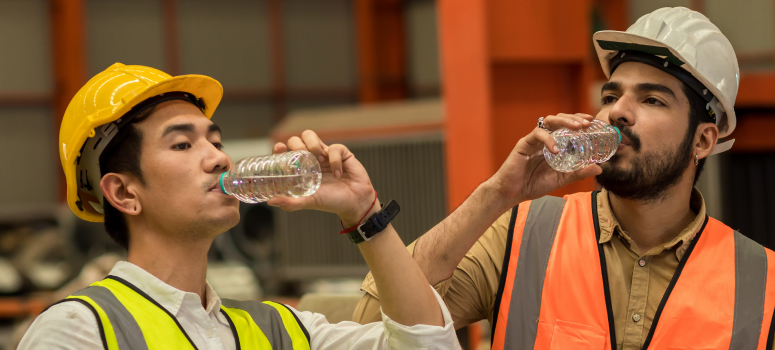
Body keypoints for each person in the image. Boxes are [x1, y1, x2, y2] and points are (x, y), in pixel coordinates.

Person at [354, 7, 775, 350]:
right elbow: (372, 326)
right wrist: (495, 195)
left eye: (652, 100)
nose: (616, 112)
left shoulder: (758, 279)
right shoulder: (523, 235)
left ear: (703, 140)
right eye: (611, 95)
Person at [20, 63, 460, 349]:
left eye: (215, 141)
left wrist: (365, 214)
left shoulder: (276, 331)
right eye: (182, 144)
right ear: (124, 194)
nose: (219, 158)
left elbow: (429, 344)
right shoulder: (81, 330)